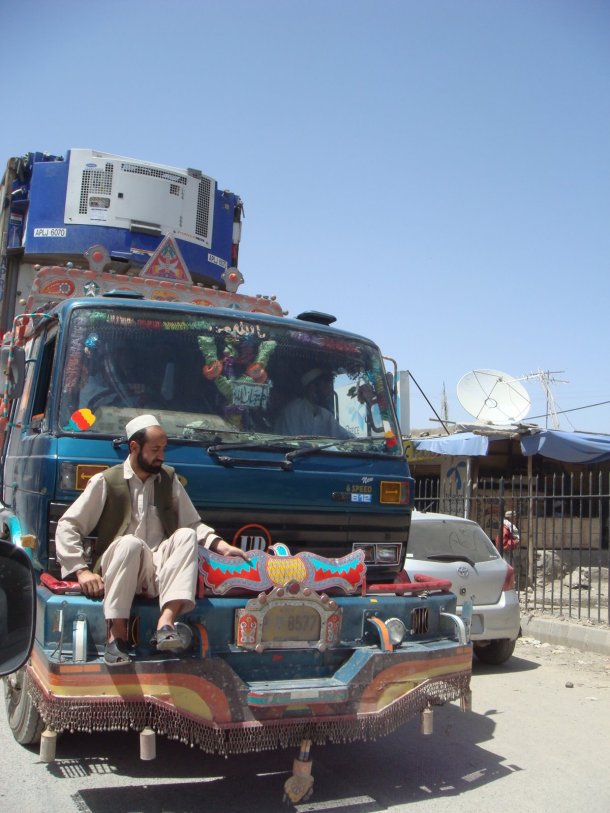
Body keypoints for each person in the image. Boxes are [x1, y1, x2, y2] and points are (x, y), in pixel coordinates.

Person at [55, 414, 247, 666]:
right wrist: (81, 571)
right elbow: (69, 524)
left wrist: (221, 546)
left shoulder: (168, 480)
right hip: (120, 568)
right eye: (155, 449)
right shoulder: (107, 481)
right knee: (129, 543)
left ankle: (165, 625)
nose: (162, 456)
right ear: (134, 447)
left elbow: (192, 524)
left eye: (163, 449)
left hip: (158, 571)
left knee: (186, 535)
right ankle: (116, 637)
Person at [274, 368, 353, 439]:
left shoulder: (326, 415)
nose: (329, 393)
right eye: (325, 388)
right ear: (312, 389)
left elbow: (345, 436)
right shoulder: (293, 410)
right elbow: (290, 444)